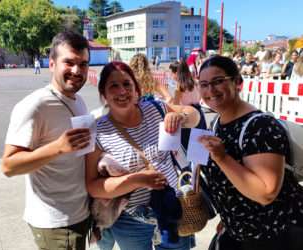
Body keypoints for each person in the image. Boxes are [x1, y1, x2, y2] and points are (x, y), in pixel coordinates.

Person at [86, 61, 201, 250]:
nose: (122, 91)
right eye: (113, 86)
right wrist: (137, 180)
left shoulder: (156, 109)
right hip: (131, 219)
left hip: (173, 207)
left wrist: (181, 117)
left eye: (126, 84)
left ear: (136, 89)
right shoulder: (98, 131)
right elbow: (93, 187)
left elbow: (195, 115)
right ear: (103, 94)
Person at [197, 55, 303, 250]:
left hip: (275, 235)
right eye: (203, 84)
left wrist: (222, 158)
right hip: (241, 232)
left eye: (218, 81)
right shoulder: (217, 124)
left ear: (238, 82)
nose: (210, 90)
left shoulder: (260, 126)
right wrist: (229, 219)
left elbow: (265, 193)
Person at [1, 30, 92, 250]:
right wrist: (58, 148)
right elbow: (8, 166)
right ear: (51, 64)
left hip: (80, 212)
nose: (77, 70)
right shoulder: (34, 106)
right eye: (68, 62)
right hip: (55, 223)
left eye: (83, 64)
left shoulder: (78, 100)